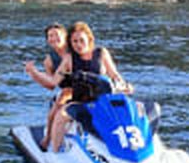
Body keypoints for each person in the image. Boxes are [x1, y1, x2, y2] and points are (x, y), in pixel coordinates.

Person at [49, 21, 132, 153]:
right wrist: (54, 74)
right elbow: (54, 80)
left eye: (81, 40)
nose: (78, 45)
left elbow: (114, 75)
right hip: (81, 103)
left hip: (104, 103)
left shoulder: (101, 53)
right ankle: (55, 151)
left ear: (89, 39)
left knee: (133, 110)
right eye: (74, 41)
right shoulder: (70, 58)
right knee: (61, 116)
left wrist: (123, 85)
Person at [24, 23, 70, 151]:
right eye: (50, 36)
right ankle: (48, 139)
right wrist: (33, 74)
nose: (54, 38)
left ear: (65, 36)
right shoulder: (49, 61)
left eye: (57, 35)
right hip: (65, 93)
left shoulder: (74, 52)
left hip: (80, 90)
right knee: (52, 115)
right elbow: (51, 85)